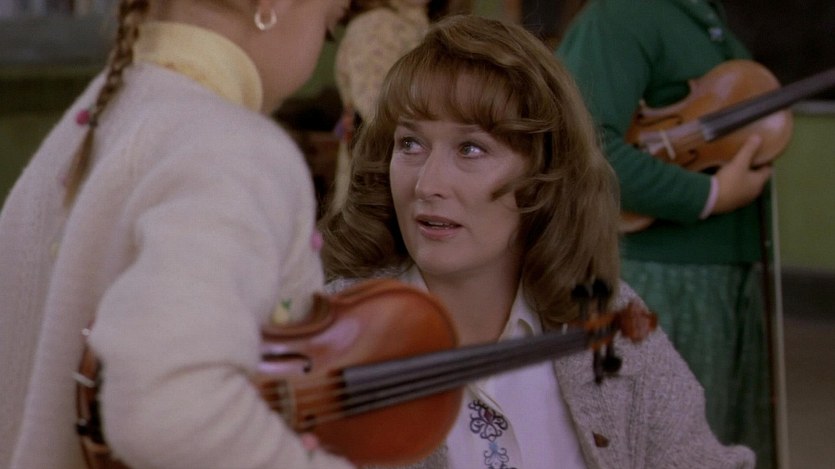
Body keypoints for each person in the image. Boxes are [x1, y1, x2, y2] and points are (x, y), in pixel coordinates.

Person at [320, 14, 756, 468]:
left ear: (542, 175)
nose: (427, 184)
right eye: (410, 144)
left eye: (470, 148)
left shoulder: (607, 320)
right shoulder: (333, 340)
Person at [0, 0, 358, 467]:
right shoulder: (231, 149)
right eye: (327, 27)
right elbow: (166, 408)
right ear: (273, 5)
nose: (317, 49)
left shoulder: (94, 119)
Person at [556, 1, 776, 467]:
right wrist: (709, 193)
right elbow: (585, 145)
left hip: (728, 280)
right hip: (663, 282)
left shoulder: (705, 15)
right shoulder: (619, 15)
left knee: (722, 442)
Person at [329, 0, 463, 212]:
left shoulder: (430, 26)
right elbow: (377, 109)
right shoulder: (376, 25)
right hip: (383, 169)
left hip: (422, 166)